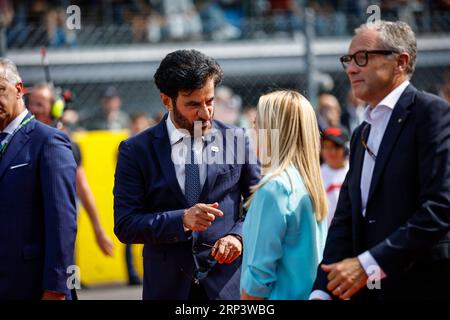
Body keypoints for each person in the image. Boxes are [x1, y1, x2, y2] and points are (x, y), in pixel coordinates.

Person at [310, 20, 450, 300]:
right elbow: (346, 218)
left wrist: (367, 265)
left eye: (362, 57)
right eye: (348, 59)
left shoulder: (431, 113)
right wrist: (322, 291)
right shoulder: (363, 130)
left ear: (400, 62)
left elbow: (440, 207)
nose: (351, 68)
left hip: (424, 284)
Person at [113, 49, 260, 300]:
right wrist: (181, 219)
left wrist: (239, 237)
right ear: (166, 100)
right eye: (193, 104)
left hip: (228, 287)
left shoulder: (236, 139)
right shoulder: (135, 151)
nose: (205, 113)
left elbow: (258, 202)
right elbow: (126, 225)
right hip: (167, 288)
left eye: (210, 101)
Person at [0, 58, 77, 299]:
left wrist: (55, 289)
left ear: (19, 89)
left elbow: (62, 221)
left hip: (33, 286)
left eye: (0, 89)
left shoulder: (48, 141)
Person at [240, 90, 328, 300]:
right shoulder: (307, 181)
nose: (253, 130)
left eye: (257, 123)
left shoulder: (275, 187)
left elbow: (260, 274)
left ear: (273, 131)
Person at [27, 82, 114, 257]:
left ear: (56, 109)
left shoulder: (65, 145)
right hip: (28, 232)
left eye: (39, 104)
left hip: (58, 230)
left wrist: (98, 229)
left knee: (66, 276)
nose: (32, 109)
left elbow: (82, 188)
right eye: (30, 103)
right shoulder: (20, 140)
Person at [320, 126, 349, 227]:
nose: (331, 152)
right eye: (326, 147)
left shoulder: (354, 171)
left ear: (346, 149)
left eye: (335, 147)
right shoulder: (317, 175)